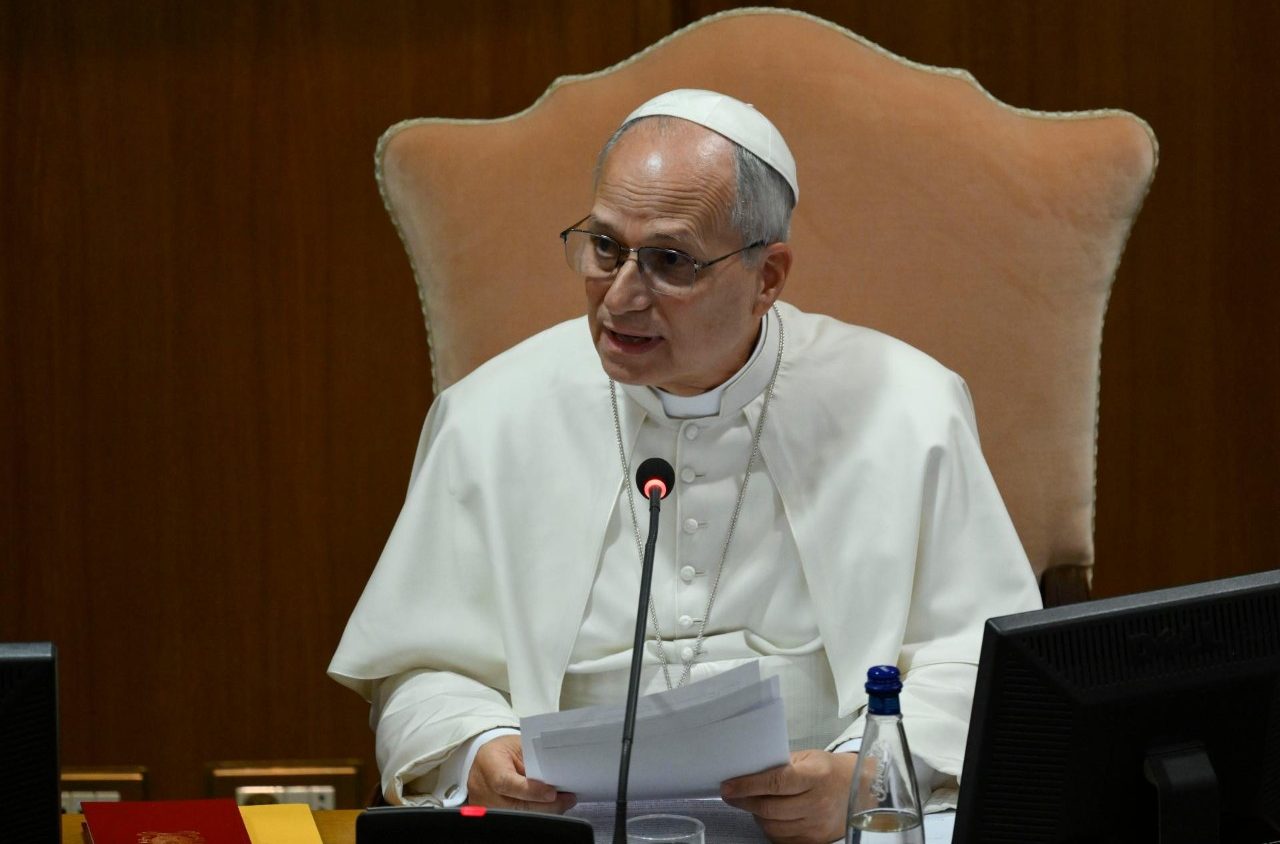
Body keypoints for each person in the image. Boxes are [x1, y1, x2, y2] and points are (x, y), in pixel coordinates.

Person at [328, 89, 1042, 844]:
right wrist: (479, 751)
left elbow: (979, 663)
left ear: (768, 277)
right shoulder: (492, 417)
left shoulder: (909, 410)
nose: (622, 298)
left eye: (670, 262)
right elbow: (420, 672)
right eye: (605, 248)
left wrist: (866, 777)